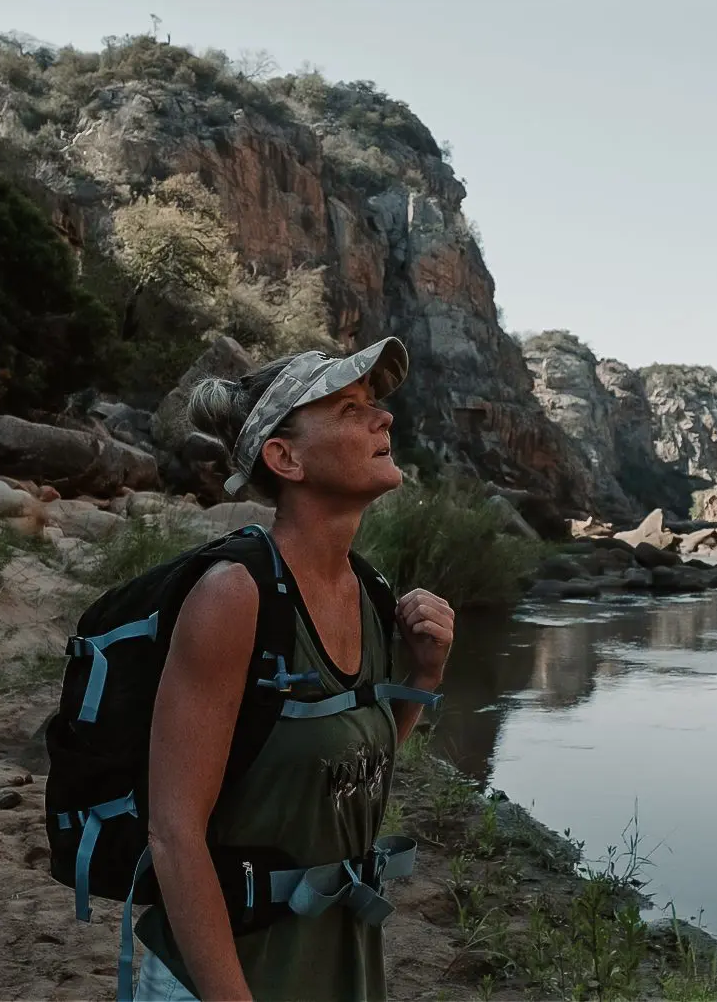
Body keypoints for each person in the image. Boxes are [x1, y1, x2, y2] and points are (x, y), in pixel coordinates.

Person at [134, 338, 456, 1002]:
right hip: (224, 980)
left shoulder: (371, 593)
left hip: (336, 965)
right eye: (348, 407)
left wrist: (423, 677)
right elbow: (173, 834)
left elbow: (346, 773)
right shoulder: (233, 597)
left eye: (374, 405)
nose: (383, 419)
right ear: (286, 457)